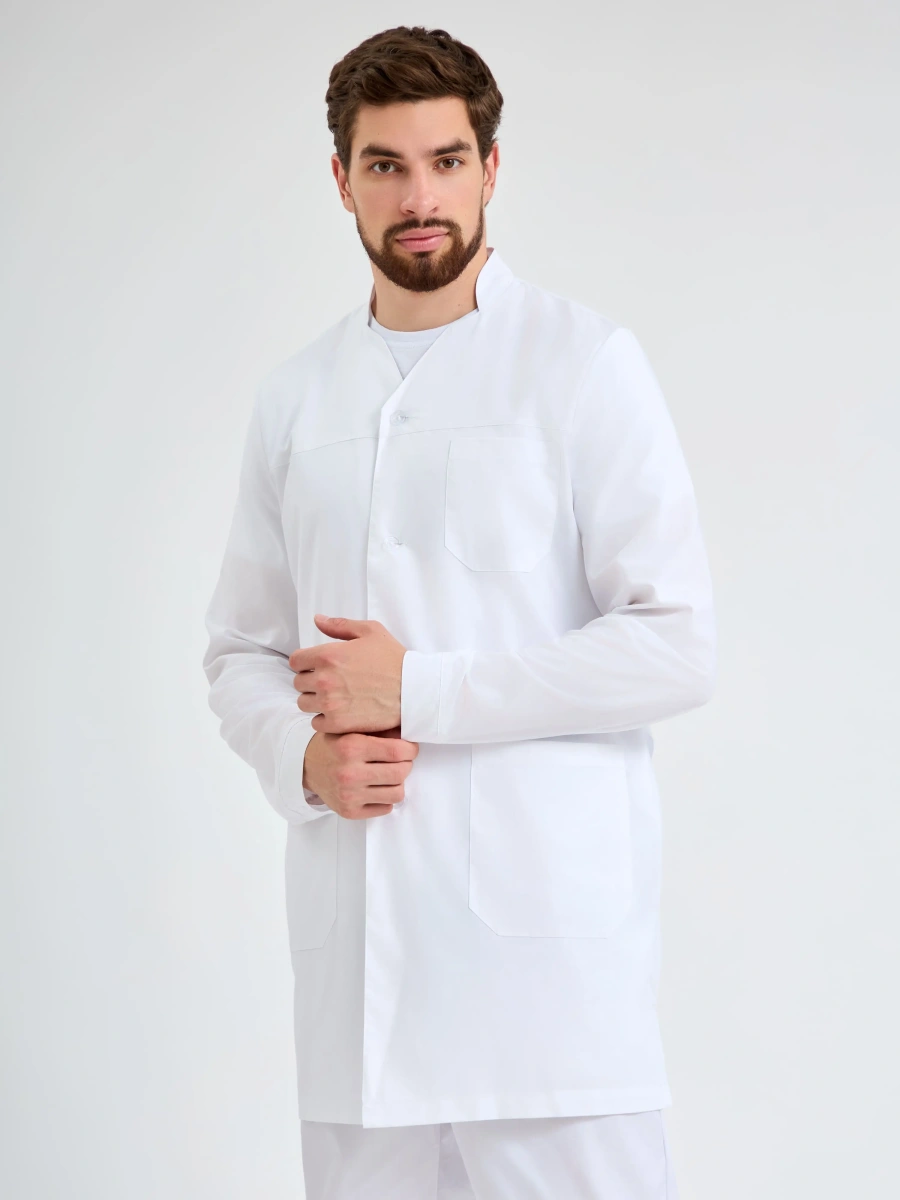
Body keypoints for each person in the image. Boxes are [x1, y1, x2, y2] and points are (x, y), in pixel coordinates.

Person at [202, 23, 715, 1200]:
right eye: (385, 165)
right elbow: (238, 649)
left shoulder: (583, 365)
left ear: (492, 168)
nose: (419, 196)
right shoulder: (296, 399)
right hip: (361, 1006)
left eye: (445, 160)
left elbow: (677, 644)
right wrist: (301, 762)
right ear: (343, 182)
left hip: (548, 1004)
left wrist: (420, 690)